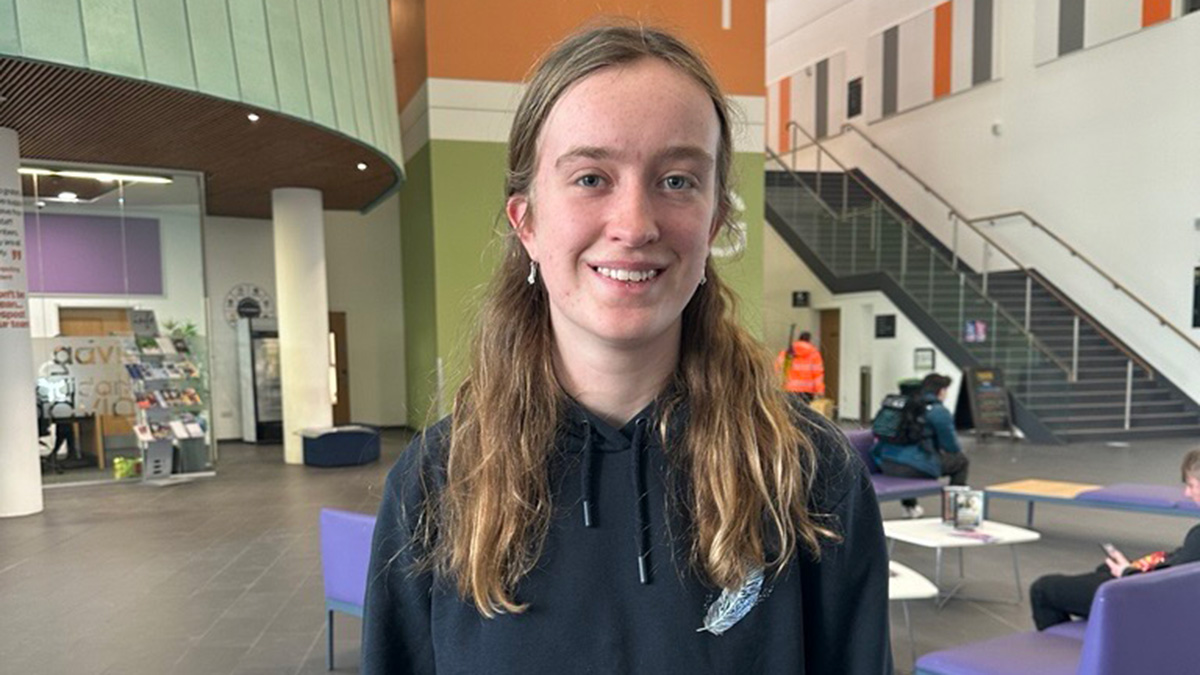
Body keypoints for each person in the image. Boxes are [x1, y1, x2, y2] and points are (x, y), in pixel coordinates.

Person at [361, 25, 891, 674]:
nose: (635, 225)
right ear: (527, 221)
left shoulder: (811, 475)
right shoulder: (437, 483)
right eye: (590, 177)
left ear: (714, 223)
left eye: (676, 180)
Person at [1029, 449, 1200, 630]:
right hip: (1165, 599)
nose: (1187, 493)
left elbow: (1168, 588)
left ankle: (1081, 652)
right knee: (1103, 571)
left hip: (1147, 604)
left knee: (1042, 590)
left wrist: (1128, 573)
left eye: (1191, 485)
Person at [871, 373, 969, 518]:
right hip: (910, 468)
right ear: (941, 391)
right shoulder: (938, 411)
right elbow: (951, 447)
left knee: (909, 456)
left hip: (885, 462)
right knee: (961, 462)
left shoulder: (905, 404)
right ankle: (954, 511)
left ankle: (910, 507)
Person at [775, 330, 826, 403]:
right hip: (807, 391)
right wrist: (820, 391)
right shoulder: (814, 354)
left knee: (790, 412)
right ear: (809, 340)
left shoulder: (786, 353)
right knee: (804, 412)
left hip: (788, 389)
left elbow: (777, 370)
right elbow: (818, 375)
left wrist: (778, 386)